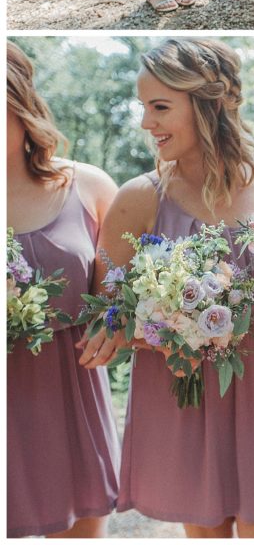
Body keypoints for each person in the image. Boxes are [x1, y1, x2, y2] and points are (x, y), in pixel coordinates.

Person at [82, 38, 254, 537]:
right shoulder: (139, 199)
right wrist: (159, 322)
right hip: (184, 400)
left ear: (210, 104)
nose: (145, 124)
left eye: (160, 107)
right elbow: (109, 313)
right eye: (144, 108)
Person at [7, 43, 120, 537]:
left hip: (72, 403)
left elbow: (120, 301)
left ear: (20, 106)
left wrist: (112, 325)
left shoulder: (90, 186)